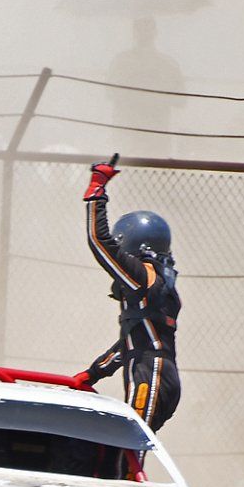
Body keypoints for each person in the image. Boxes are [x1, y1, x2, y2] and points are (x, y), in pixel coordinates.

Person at [80, 153, 181, 430]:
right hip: (156, 373)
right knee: (122, 458)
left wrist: (96, 193)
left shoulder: (142, 277)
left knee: (127, 455)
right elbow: (130, 344)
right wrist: (94, 373)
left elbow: (100, 243)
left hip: (151, 375)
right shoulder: (157, 282)